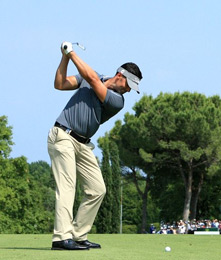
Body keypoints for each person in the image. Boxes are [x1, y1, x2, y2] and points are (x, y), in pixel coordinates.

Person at [48, 42, 143, 250]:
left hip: (83, 144)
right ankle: (61, 238)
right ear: (121, 75)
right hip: (63, 135)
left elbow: (91, 78)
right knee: (67, 186)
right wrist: (64, 57)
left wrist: (70, 52)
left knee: (97, 189)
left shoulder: (117, 100)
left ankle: (79, 234)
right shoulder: (89, 77)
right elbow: (60, 84)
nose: (128, 90)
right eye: (129, 85)